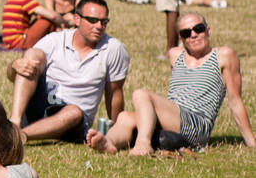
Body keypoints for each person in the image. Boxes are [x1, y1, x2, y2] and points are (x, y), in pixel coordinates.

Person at [86, 13, 254, 154]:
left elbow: (234, 100)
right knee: (125, 117)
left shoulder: (223, 55)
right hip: (173, 118)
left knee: (141, 94)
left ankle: (143, 144)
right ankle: (108, 142)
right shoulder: (175, 55)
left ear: (208, 30)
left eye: (199, 29)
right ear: (181, 38)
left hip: (197, 125)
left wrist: (251, 143)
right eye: (187, 33)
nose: (194, 34)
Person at [7, 0, 128, 142]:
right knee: (31, 55)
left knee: (74, 112)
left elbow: (114, 94)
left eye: (104, 22)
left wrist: (118, 129)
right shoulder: (56, 40)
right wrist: (14, 65)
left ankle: (19, 136)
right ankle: (14, 123)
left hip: (74, 121)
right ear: (77, 19)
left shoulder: (113, 49)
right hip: (40, 106)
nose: (99, 26)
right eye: (92, 20)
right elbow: (14, 74)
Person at [0, 0, 65, 49]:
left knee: (42, 18)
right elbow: (52, 16)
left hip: (11, 42)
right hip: (19, 43)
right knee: (47, 20)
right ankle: (58, 43)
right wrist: (67, 22)